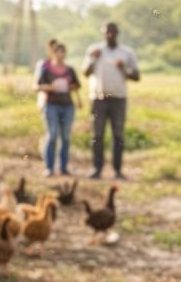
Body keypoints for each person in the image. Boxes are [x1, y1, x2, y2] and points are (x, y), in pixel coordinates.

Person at [81, 21, 139, 179]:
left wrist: (123, 68)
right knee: (97, 135)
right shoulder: (95, 50)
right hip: (98, 98)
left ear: (117, 33)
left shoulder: (126, 52)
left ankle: (117, 170)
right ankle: (97, 168)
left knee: (118, 136)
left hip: (118, 99)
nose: (110, 35)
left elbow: (136, 76)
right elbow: (85, 73)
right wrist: (93, 59)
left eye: (113, 32)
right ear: (103, 33)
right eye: (107, 32)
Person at [36, 39, 82, 176]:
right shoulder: (46, 69)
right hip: (52, 105)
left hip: (67, 105)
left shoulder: (69, 70)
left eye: (63, 52)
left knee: (65, 136)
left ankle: (63, 167)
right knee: (52, 135)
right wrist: (51, 87)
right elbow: (38, 86)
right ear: (53, 53)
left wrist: (68, 86)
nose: (60, 55)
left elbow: (77, 85)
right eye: (58, 52)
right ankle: (49, 167)